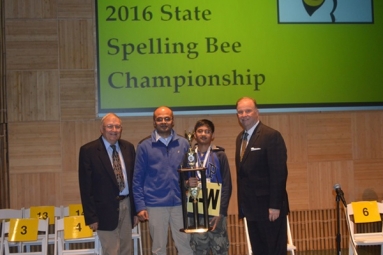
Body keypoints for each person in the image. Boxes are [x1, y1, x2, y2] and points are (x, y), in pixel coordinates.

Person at [133, 106, 194, 255]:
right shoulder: (144, 146)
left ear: (172, 121)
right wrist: (140, 206)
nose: (163, 122)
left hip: (180, 204)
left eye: (167, 118)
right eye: (159, 119)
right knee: (159, 248)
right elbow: (137, 179)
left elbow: (189, 174)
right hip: (155, 205)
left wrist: (190, 184)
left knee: (185, 246)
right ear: (154, 122)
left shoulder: (184, 143)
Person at [235, 97, 289, 255]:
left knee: (274, 251)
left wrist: (275, 205)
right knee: (259, 250)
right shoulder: (240, 138)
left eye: (248, 110)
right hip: (251, 209)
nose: (244, 115)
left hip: (270, 210)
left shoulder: (271, 136)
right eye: (240, 112)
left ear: (257, 112)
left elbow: (279, 173)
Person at [78, 113, 137, 255]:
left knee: (127, 250)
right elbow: (86, 187)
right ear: (101, 129)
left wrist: (135, 211)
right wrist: (91, 217)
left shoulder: (128, 147)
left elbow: (134, 180)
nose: (114, 130)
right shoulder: (88, 151)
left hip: (127, 205)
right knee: (111, 251)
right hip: (103, 211)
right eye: (110, 126)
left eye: (117, 126)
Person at [186, 119, 232, 255]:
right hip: (195, 210)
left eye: (207, 131)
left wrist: (221, 211)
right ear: (194, 134)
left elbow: (227, 185)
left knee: (220, 248)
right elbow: (180, 182)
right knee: (199, 250)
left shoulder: (220, 155)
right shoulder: (188, 156)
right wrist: (187, 184)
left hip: (215, 211)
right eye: (200, 131)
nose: (203, 134)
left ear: (212, 135)